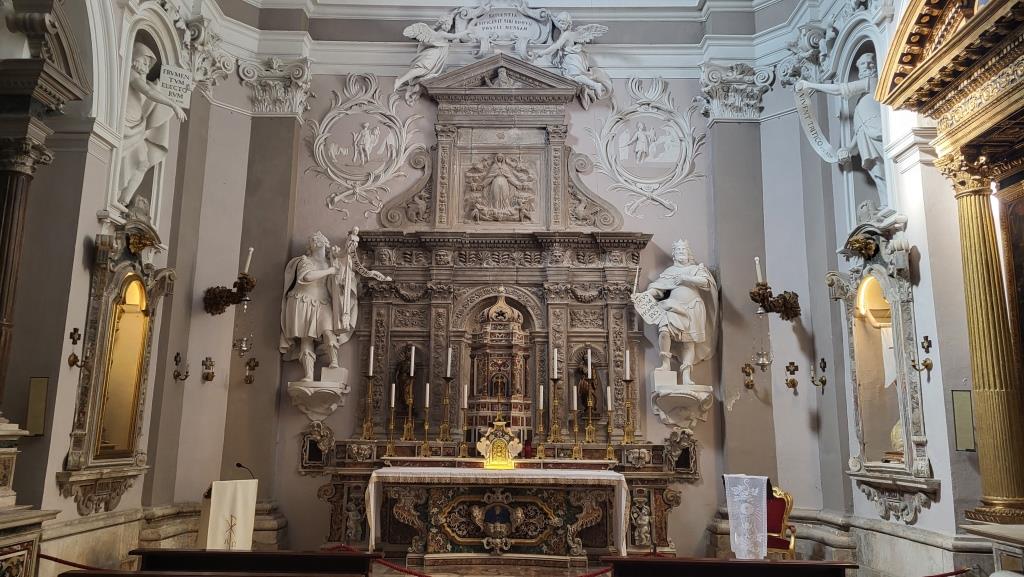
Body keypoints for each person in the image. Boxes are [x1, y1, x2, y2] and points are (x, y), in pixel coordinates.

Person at [796, 52, 886, 198]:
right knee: (878, 172)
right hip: (868, 138)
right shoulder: (862, 101)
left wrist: (810, 85)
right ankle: (886, 203)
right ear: (859, 68)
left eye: (871, 63)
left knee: (886, 168)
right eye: (863, 63)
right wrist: (849, 148)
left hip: (879, 132)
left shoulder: (873, 82)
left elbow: (841, 89)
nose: (868, 66)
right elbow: (860, 130)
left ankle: (892, 202)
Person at [118, 42, 187, 207]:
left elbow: (152, 90)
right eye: (144, 61)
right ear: (135, 58)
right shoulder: (131, 74)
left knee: (143, 163)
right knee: (125, 160)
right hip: (125, 126)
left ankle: (122, 200)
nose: (146, 67)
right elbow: (148, 93)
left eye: (148, 64)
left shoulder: (142, 79)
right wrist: (173, 105)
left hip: (136, 126)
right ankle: (115, 194)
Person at [641, 240, 718, 386]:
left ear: (688, 253)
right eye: (678, 250)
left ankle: (686, 375)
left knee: (688, 343)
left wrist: (685, 278)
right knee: (664, 330)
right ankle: (665, 364)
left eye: (683, 250)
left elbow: (706, 282)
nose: (681, 253)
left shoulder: (696, 269)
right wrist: (645, 295)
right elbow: (658, 288)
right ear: (674, 255)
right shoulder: (669, 272)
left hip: (693, 307)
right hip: (673, 308)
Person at [532, 12, 613, 109]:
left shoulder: (566, 34)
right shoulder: (566, 32)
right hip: (572, 58)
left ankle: (595, 85)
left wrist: (541, 53)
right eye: (560, 22)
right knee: (574, 77)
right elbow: (557, 23)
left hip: (572, 59)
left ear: (568, 24)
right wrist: (550, 15)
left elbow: (556, 46)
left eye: (564, 23)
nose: (561, 25)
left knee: (575, 76)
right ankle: (594, 85)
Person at [395, 23, 472, 105]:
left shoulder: (433, 33)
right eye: (446, 24)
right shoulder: (442, 34)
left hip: (432, 54)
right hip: (433, 54)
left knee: (422, 70)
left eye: (448, 24)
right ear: (442, 25)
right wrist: (467, 31)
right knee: (423, 69)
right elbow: (455, 36)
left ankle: (403, 82)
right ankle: (400, 81)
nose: (447, 26)